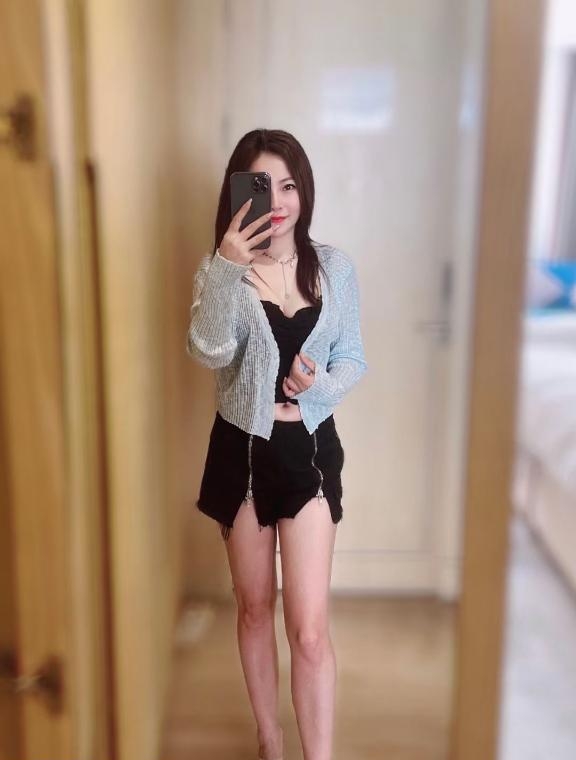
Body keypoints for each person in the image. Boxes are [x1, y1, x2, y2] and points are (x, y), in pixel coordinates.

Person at [186, 128, 367, 760]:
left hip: (308, 454)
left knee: (309, 630)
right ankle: (270, 739)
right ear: (240, 194)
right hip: (241, 455)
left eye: (290, 185)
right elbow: (208, 351)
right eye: (264, 187)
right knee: (255, 608)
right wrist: (226, 268)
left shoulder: (334, 269)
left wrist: (315, 388)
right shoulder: (221, 272)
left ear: (304, 190)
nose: (281, 201)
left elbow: (353, 358)